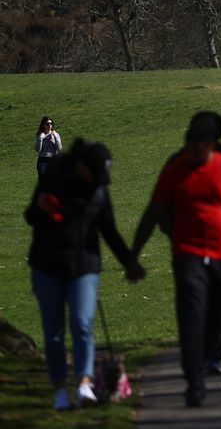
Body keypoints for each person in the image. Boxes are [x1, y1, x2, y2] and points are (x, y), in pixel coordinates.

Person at [131, 112, 221, 407]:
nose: (191, 152)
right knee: (191, 315)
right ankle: (194, 382)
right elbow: (154, 211)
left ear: (210, 145)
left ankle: (211, 354)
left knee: (217, 314)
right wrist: (134, 255)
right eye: (188, 146)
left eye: (197, 147)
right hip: (186, 253)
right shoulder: (176, 168)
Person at [25, 139, 146, 410]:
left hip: (84, 265)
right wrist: (42, 208)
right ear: (82, 166)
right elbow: (30, 215)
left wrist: (129, 262)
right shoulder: (53, 176)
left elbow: (109, 230)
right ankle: (59, 390)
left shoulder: (99, 190)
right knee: (53, 332)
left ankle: (84, 385)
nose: (98, 181)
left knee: (81, 323)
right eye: (95, 174)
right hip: (48, 265)